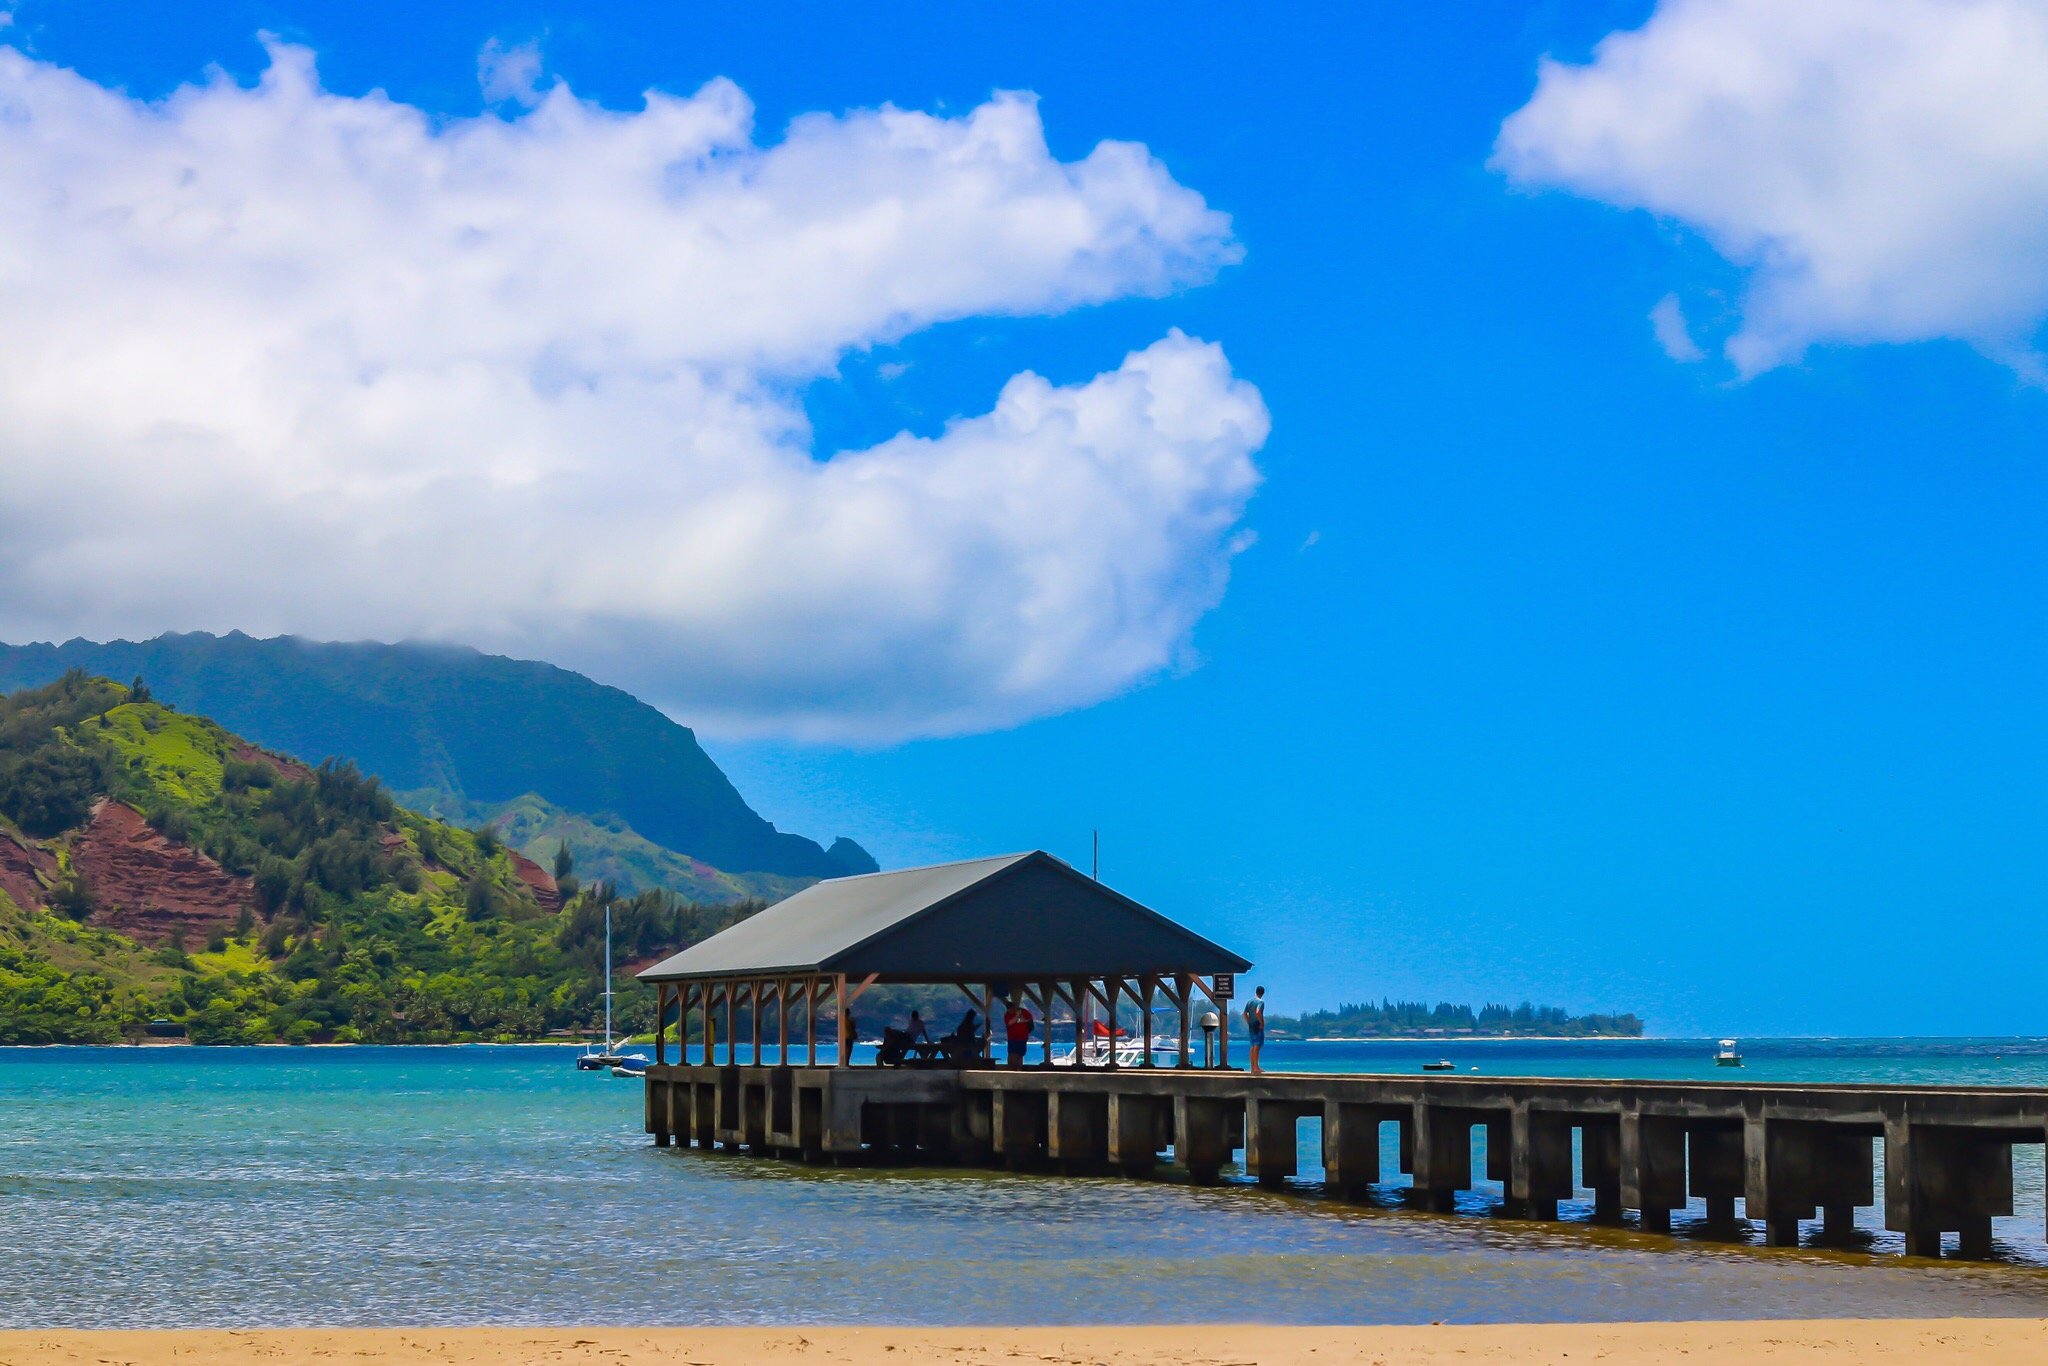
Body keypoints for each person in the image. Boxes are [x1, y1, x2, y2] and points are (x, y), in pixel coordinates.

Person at [1002, 996, 1034, 1068]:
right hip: (1012, 1038)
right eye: (1009, 1009)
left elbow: (1030, 1019)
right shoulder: (1007, 1015)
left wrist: (1024, 1021)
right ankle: (1011, 1068)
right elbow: (1009, 1023)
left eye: (1012, 1009)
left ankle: (1019, 1069)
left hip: (1022, 1037)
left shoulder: (1024, 1011)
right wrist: (1017, 1016)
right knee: (1012, 1054)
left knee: (1020, 1054)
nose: (1011, 1011)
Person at [1243, 985, 1267, 1075]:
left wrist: (1249, 1021)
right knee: (1257, 1046)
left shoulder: (1249, 1002)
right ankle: (1256, 1067)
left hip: (1251, 1025)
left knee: (1253, 1045)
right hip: (1257, 1025)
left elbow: (1244, 1014)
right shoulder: (1261, 1002)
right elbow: (1258, 1012)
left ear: (1256, 991)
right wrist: (1262, 1023)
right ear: (1262, 993)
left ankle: (1253, 1067)